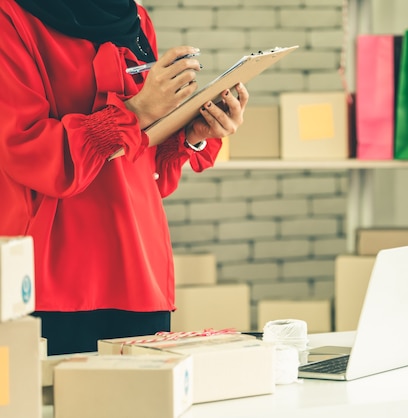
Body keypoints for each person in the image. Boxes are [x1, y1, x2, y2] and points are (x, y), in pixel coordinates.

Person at [0, 0, 249, 355]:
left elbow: (143, 161)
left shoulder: (133, 17)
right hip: (56, 277)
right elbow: (28, 153)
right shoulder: (11, 18)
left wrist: (192, 134)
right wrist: (138, 110)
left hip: (140, 270)